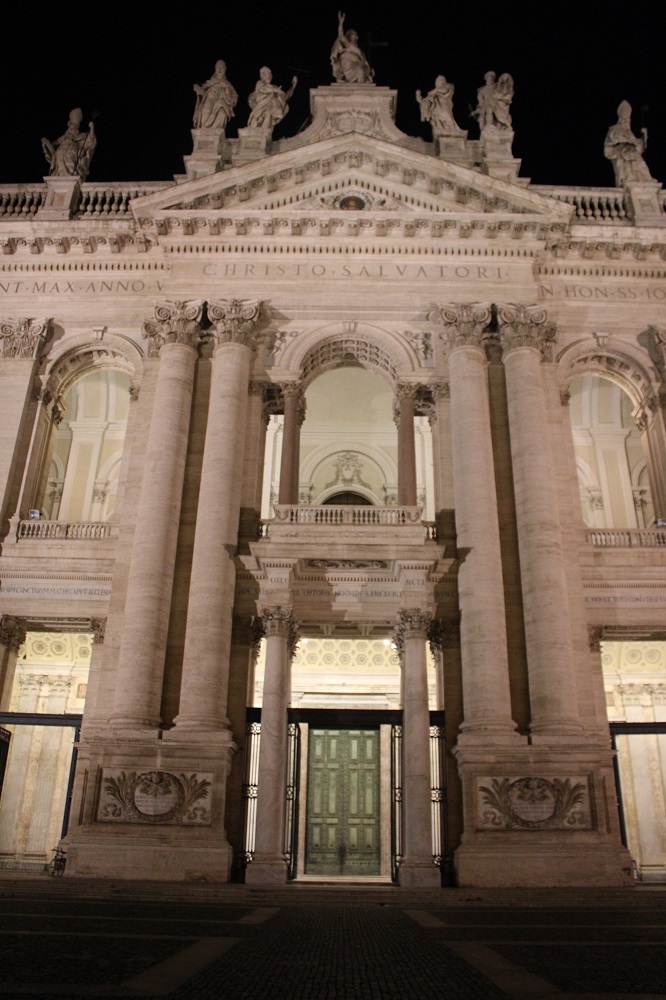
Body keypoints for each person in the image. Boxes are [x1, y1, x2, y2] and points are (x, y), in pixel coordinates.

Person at [604, 101, 653, 186]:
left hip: (633, 152)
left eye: (628, 120)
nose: (627, 122)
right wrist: (620, 140)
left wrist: (644, 137)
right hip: (621, 152)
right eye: (625, 120)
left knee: (640, 163)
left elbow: (638, 146)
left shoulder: (629, 133)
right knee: (628, 169)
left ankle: (646, 178)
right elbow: (609, 144)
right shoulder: (614, 129)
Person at [41, 108, 96, 180]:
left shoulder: (82, 136)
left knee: (70, 156)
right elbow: (53, 146)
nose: (72, 127)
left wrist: (92, 129)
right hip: (60, 158)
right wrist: (46, 145)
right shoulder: (63, 138)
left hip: (72, 157)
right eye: (71, 124)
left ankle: (71, 177)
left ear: (77, 127)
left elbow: (91, 142)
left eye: (75, 125)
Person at [330, 10, 374, 84]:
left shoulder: (358, 50)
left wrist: (368, 69)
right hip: (348, 64)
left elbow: (363, 61)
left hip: (357, 64)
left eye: (356, 34)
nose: (356, 36)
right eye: (354, 34)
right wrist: (341, 23)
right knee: (360, 69)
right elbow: (340, 36)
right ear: (349, 36)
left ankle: (361, 91)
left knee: (362, 69)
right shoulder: (347, 44)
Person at [193, 60, 238, 130]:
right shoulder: (210, 82)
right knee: (206, 112)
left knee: (223, 112)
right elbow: (203, 92)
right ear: (215, 69)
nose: (219, 69)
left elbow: (235, 96)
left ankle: (214, 130)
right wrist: (199, 90)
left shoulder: (228, 84)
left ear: (225, 70)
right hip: (210, 100)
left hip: (221, 103)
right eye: (218, 67)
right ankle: (204, 129)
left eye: (222, 67)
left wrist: (227, 90)